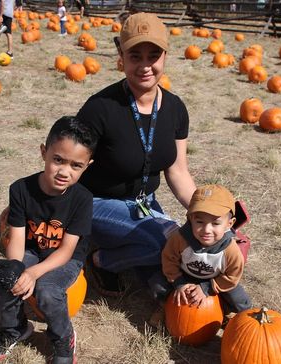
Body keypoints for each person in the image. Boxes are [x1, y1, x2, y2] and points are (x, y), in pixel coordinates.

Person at [77, 12, 196, 296]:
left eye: (153, 56)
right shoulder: (99, 108)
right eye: (135, 56)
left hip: (144, 202)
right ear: (121, 55)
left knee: (172, 271)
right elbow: (68, 169)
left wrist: (207, 212)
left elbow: (178, 172)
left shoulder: (176, 109)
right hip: (96, 202)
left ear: (165, 55)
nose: (145, 66)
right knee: (168, 243)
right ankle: (100, 261)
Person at [0, 116, 97, 364]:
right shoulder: (21, 189)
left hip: (66, 258)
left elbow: (66, 251)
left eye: (76, 165)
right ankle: (14, 329)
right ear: (44, 152)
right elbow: (18, 236)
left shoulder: (82, 199)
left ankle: (63, 339)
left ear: (87, 166)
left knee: (48, 291)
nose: (65, 171)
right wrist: (16, 267)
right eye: (58, 160)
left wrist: (33, 274)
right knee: (7, 277)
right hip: (32, 249)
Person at [150, 184, 251, 325]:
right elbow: (169, 259)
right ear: (190, 218)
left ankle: (232, 313)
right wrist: (179, 283)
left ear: (229, 223)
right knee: (157, 283)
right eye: (199, 222)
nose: (206, 229)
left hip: (215, 280)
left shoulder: (230, 250)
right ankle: (165, 306)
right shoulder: (180, 238)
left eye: (215, 223)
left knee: (238, 298)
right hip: (184, 275)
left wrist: (206, 288)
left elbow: (232, 276)